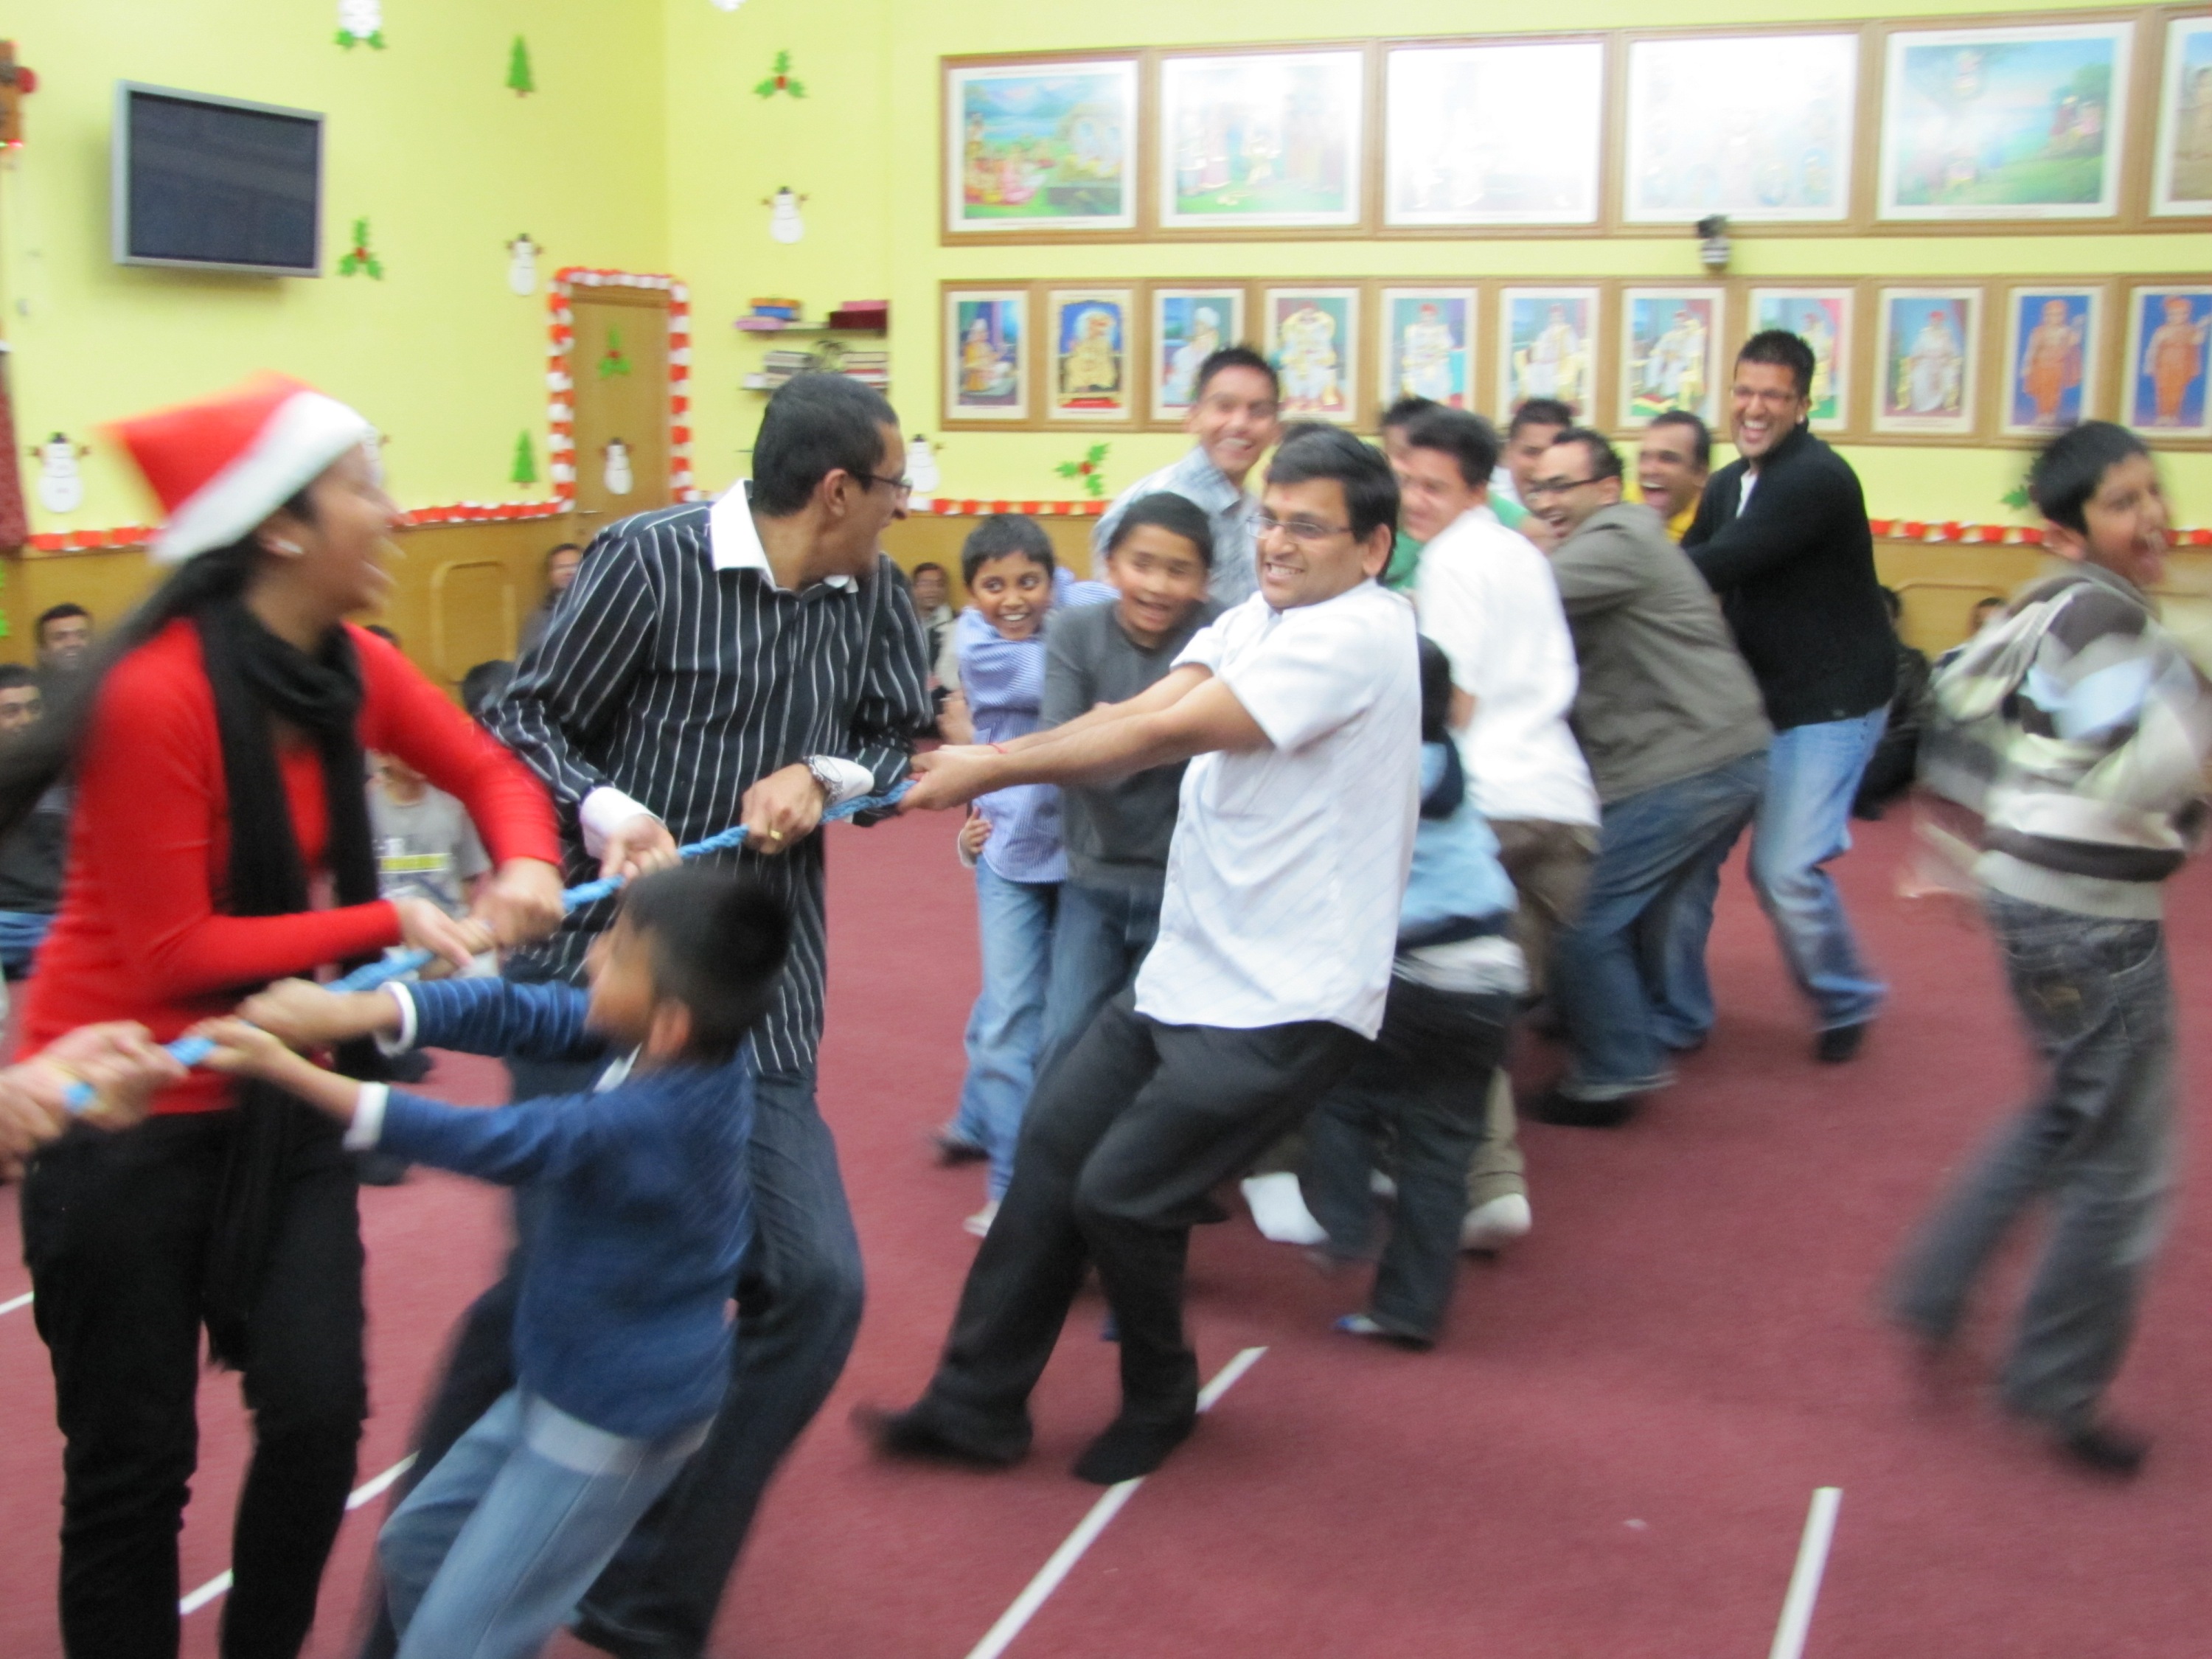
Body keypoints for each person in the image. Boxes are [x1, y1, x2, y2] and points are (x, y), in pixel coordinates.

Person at [0, 372, 565, 1659]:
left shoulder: (347, 666)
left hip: (275, 1092)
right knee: (132, 1470)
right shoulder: (159, 694)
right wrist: (390, 920)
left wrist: (525, 858)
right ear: (282, 527)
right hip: (117, 1109)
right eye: (367, 486)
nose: (396, 515)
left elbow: (487, 767)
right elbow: (174, 949)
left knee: (317, 1416)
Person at [378, 372, 932, 1659]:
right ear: (837, 491)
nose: (905, 511)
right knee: (553, 1282)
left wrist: (829, 771)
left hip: (757, 1001)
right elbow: (519, 716)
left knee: (816, 1287)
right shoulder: (645, 561)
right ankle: (429, 1564)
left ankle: (642, 1590)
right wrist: (602, 810)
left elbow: (910, 741)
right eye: (896, 489)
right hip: (596, 979)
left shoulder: (872, 594)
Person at [859, 425, 1419, 1486]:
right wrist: (997, 757)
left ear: (1373, 545)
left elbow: (1165, 737)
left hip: (1290, 1000)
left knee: (1122, 1194)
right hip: (1190, 969)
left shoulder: (1357, 637)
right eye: (1271, 519)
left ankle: (1163, 1394)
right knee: (1052, 1158)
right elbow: (1143, 705)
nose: (1280, 542)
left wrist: (986, 764)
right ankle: (975, 1405)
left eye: (1310, 526)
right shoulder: (1268, 613)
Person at [193, 866, 793, 1658]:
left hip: (615, 1418)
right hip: (559, 1379)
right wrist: (361, 1009)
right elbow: (516, 1009)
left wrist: (293, 1072)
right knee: (416, 1550)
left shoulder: (655, 1116)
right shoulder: (671, 1037)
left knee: (453, 1644)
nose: (591, 961)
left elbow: (494, 1143)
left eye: (615, 954)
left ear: (671, 1021)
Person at [1891, 422, 2212, 1478]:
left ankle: (1935, 1288)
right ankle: (2059, 1382)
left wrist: (1968, 845)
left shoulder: (2044, 607)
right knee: (2121, 1165)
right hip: (2091, 919)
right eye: (2123, 504)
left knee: (2069, 1111)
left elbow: (1964, 700)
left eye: (2151, 493)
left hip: (2036, 902)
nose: (2152, 517)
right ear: (2072, 531)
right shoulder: (2110, 618)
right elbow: (2151, 765)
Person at [1521, 428, 1770, 1125]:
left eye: (1561, 488)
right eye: (1538, 490)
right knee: (1641, 911)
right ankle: (1612, 1024)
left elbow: (1517, 601)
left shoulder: (1619, 538)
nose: (1547, 504)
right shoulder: (1610, 539)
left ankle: (1614, 1070)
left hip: (1690, 763)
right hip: (1710, 753)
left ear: (1607, 490)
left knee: (1585, 913)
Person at [1672, 330, 1896, 1065]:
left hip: (1829, 701)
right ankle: (1676, 1013)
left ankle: (1846, 996)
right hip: (1754, 699)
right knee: (1683, 853)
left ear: (1803, 405)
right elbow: (1689, 565)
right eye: (1743, 391)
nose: (1754, 408)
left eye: (1773, 395)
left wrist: (1603, 570)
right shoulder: (1731, 482)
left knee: (1785, 870)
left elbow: (1715, 563)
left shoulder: (1815, 479)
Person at [1399, 405, 1590, 1246]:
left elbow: (1454, 701)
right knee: (1489, 1003)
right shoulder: (1524, 552)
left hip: (1495, 804)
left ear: (1479, 489)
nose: (1414, 499)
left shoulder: (1452, 560)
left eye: (1432, 486)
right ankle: (1471, 1167)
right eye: (1405, 478)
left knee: (1450, 994)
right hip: (1567, 810)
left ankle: (1488, 1184)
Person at [1303, 636, 1523, 1346]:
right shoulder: (1449, 761)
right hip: (1490, 972)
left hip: (1417, 967)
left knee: (1338, 1091)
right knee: (1442, 1149)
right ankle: (1407, 1310)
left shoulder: (1376, 768)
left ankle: (1341, 1219)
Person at [936, 515, 1089, 1234]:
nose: (1013, 599)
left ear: (1052, 579)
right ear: (972, 594)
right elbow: (1059, 675)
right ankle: (1010, 1184)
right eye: (994, 586)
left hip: (1081, 849)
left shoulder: (1072, 603)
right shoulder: (977, 644)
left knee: (1046, 1010)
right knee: (1012, 1017)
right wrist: (1098, 643)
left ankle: (977, 1116)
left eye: (1030, 581)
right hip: (1009, 850)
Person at [1034, 493, 1218, 1079]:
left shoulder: (1221, 635)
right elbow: (1058, 751)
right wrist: (1160, 738)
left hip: (1187, 885)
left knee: (1171, 1043)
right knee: (1066, 1033)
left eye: (1178, 570)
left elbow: (1227, 758)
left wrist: (1110, 730)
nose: (1158, 586)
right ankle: (1041, 1168)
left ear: (1204, 581)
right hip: (1095, 876)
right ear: (1110, 566)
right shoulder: (1074, 630)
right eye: (1142, 564)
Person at [1092, 346, 1281, 609]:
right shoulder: (1143, 506)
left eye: (1258, 411)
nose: (1240, 423)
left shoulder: (1259, 510)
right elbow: (1115, 623)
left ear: (1276, 429)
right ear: (1193, 418)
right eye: (1224, 407)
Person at [0, 664, 67, 975]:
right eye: (11, 711)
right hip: (7, 921)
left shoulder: (71, 774)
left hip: (61, 920)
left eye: (33, 708)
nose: (25, 720)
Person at [1852, 587, 1933, 820]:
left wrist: (1878, 744)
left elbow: (1920, 717)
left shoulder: (1913, 661)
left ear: (1895, 620)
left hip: (1892, 743)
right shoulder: (1838, 659)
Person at [1495, 397, 1575, 538]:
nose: (1541, 466)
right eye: (1532, 453)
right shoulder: (1486, 509)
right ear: (1508, 453)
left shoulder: (1583, 507)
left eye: (1553, 452)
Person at [1634, 411, 1711, 543]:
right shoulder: (1623, 520)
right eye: (1644, 458)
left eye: (1668, 459)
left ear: (1701, 474)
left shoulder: (1714, 535)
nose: (1650, 470)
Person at [516, 542, 584, 658]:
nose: (568, 572)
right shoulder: (538, 617)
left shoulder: (605, 606)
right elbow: (526, 659)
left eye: (575, 566)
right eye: (561, 567)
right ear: (550, 575)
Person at [35, 601, 94, 684]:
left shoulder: (113, 686)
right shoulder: (30, 693)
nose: (73, 644)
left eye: (82, 635)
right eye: (60, 637)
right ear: (42, 652)